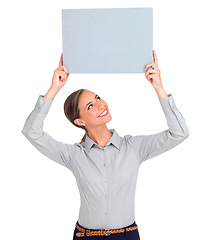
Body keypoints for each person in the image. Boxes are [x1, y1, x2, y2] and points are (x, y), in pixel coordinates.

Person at [21, 50, 189, 240]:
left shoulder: (133, 147)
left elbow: (180, 133)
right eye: (90, 106)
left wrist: (159, 87)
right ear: (79, 122)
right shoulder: (73, 155)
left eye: (98, 98)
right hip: (86, 236)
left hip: (127, 235)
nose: (101, 105)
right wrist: (54, 88)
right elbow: (31, 132)